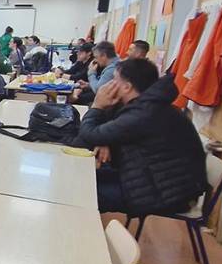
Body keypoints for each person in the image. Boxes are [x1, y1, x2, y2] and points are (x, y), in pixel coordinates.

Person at [76, 59, 207, 215]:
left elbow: (89, 135)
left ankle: (81, 236)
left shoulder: (145, 113)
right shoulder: (148, 106)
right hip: (154, 182)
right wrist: (104, 140)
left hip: (164, 195)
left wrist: (97, 105)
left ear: (127, 87)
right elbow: (102, 133)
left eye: (114, 80)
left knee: (80, 193)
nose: (109, 85)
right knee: (84, 179)